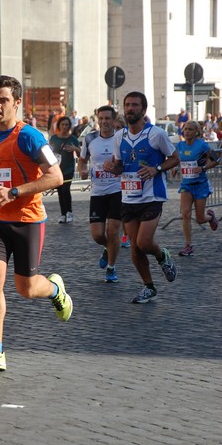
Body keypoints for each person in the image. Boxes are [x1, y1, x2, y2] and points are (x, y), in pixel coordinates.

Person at [0, 75, 73, 372]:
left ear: (17, 103)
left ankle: (54, 290)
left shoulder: (30, 137)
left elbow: (56, 177)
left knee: (26, 289)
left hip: (27, 220)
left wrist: (14, 192)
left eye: (3, 100)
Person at [103, 91, 180, 304]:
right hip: (128, 198)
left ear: (143, 109)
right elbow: (120, 166)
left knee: (144, 243)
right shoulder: (120, 137)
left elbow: (174, 159)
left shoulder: (156, 134)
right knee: (136, 248)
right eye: (127, 105)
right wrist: (112, 168)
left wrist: (156, 168)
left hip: (152, 195)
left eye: (135, 105)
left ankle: (162, 255)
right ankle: (149, 287)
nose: (130, 108)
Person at [78, 105, 121, 283]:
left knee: (112, 232)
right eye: (101, 118)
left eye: (107, 118)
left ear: (114, 120)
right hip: (97, 193)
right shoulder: (90, 138)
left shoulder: (121, 138)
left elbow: (126, 163)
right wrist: (83, 170)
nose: (104, 122)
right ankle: (107, 248)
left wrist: (117, 169)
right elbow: (82, 161)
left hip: (117, 191)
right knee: (97, 235)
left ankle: (111, 268)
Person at [176, 120, 219, 256]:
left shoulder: (202, 145)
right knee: (186, 214)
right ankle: (188, 246)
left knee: (200, 218)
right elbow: (178, 161)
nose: (187, 131)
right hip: (186, 185)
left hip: (200, 184)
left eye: (190, 129)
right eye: (185, 129)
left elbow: (216, 159)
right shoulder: (180, 145)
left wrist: (203, 167)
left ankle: (210, 217)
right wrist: (175, 169)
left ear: (196, 132)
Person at [49, 116, 80, 223]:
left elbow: (81, 154)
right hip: (57, 169)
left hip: (68, 169)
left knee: (66, 189)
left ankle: (69, 212)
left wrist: (74, 149)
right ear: (59, 125)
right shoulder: (54, 138)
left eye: (67, 125)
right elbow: (49, 151)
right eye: (62, 124)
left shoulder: (73, 139)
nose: (64, 127)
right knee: (60, 192)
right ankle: (63, 214)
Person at [114, 114, 130, 248]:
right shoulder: (113, 139)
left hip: (125, 180)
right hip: (112, 182)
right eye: (115, 128)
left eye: (119, 127)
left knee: (124, 210)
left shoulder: (126, 139)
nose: (116, 130)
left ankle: (126, 235)